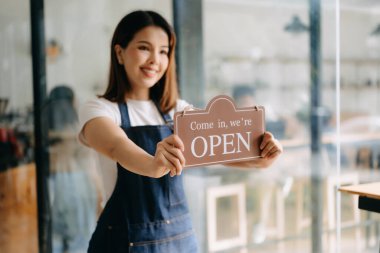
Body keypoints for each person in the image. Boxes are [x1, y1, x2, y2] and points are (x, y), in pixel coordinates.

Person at [78, 10, 283, 253]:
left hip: (180, 241)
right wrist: (153, 164)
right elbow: (117, 146)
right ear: (120, 53)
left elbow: (220, 151)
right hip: (123, 243)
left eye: (163, 51)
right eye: (144, 48)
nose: (155, 59)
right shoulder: (98, 109)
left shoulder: (179, 111)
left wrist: (261, 157)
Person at [47, 85, 100, 253]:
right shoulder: (75, 121)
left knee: (54, 238)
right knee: (79, 239)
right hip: (74, 180)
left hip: (51, 181)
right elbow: (88, 160)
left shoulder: (45, 121)